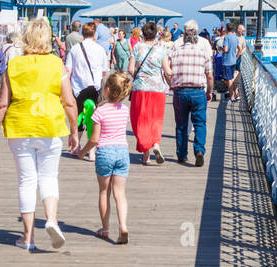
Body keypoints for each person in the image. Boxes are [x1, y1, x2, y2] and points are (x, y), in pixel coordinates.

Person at [0, 17, 80, 251]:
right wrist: (74, 131)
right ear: (47, 38)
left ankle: (28, 238)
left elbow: (1, 104)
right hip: (50, 126)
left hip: (20, 126)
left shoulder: (15, 65)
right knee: (49, 177)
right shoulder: (57, 65)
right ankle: (51, 220)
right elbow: (69, 102)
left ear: (26, 38)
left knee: (26, 181)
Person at [76, 71, 133, 242]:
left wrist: (82, 152)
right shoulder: (124, 110)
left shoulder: (99, 112)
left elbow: (94, 139)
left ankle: (105, 228)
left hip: (105, 152)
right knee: (120, 194)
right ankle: (123, 226)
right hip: (122, 152)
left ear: (107, 90)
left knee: (104, 192)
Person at [163, 19, 214, 166]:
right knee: (200, 123)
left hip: (180, 91)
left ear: (184, 34)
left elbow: (167, 70)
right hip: (198, 91)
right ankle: (199, 150)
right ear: (196, 35)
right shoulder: (203, 50)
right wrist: (209, 91)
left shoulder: (175, 50)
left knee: (181, 124)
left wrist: (171, 84)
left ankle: (182, 154)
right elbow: (209, 75)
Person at [127, 21, 169, 166]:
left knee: (141, 119)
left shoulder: (137, 47)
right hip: (158, 89)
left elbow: (131, 69)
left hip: (141, 88)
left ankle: (146, 155)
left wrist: (138, 72)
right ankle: (156, 144)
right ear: (156, 35)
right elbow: (167, 71)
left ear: (143, 34)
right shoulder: (161, 49)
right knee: (156, 119)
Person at [65, 22, 108, 161]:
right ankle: (92, 152)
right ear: (94, 33)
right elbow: (103, 72)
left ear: (82, 33)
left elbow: (69, 70)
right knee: (93, 119)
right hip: (94, 88)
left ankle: (76, 147)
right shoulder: (100, 49)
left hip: (77, 88)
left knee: (79, 118)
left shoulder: (75, 49)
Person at [222, 22, 245, 101]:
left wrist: (220, 49)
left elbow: (225, 49)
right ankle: (236, 94)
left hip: (227, 61)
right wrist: (237, 57)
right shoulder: (235, 37)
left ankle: (232, 97)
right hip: (233, 61)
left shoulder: (226, 37)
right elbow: (240, 49)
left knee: (228, 80)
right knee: (231, 78)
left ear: (227, 29)